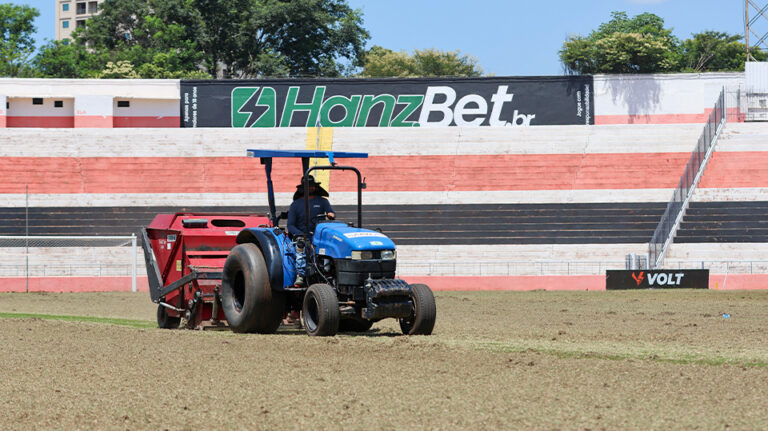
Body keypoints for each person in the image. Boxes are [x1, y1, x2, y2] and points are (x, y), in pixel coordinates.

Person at [286, 175, 335, 286]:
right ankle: (301, 275)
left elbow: (330, 212)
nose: (310, 188)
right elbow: (290, 225)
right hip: (302, 236)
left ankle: (327, 272)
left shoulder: (323, 201)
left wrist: (331, 214)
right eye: (308, 186)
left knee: (330, 244)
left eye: (312, 186)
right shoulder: (295, 205)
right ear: (302, 188)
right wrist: (300, 234)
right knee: (301, 245)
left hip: (319, 235)